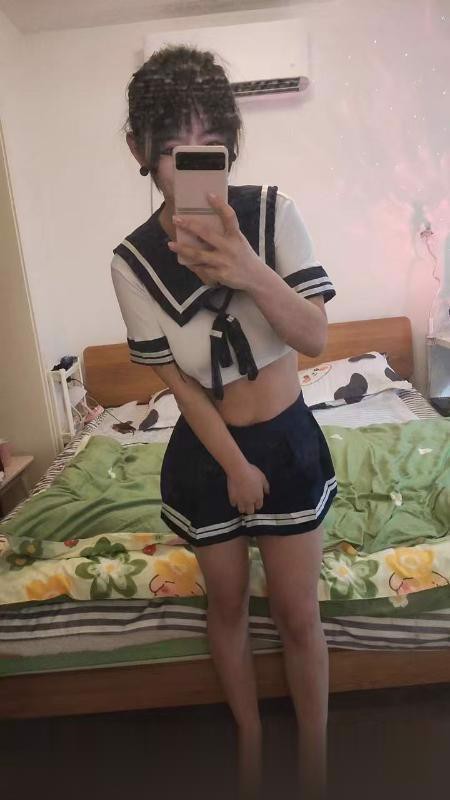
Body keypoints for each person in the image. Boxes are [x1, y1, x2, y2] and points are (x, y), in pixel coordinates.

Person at [111, 44, 337, 800]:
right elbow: (179, 386)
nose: (194, 169)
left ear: (232, 145)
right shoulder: (134, 263)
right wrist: (236, 466)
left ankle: (314, 762)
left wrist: (248, 269)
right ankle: (249, 739)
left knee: (299, 616)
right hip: (209, 453)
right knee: (229, 605)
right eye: (174, 151)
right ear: (141, 151)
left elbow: (314, 337)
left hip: (288, 438)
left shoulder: (273, 214)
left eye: (211, 148)